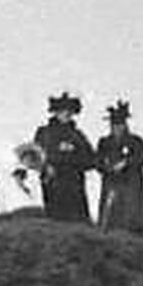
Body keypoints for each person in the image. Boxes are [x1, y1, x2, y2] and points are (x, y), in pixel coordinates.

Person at [32, 93, 96, 223]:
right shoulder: (44, 132)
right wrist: (46, 166)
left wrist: (74, 158)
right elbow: (34, 156)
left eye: (69, 111)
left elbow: (91, 159)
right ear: (55, 112)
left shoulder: (77, 135)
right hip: (53, 181)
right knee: (56, 218)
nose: (66, 114)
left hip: (74, 182)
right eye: (62, 111)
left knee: (76, 219)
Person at [95, 99, 143, 234]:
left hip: (130, 185)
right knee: (110, 215)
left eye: (120, 125)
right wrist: (106, 165)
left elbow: (142, 158)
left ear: (125, 125)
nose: (117, 128)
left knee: (132, 213)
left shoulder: (136, 141)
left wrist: (126, 163)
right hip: (111, 183)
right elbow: (97, 161)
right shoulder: (104, 143)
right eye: (114, 125)